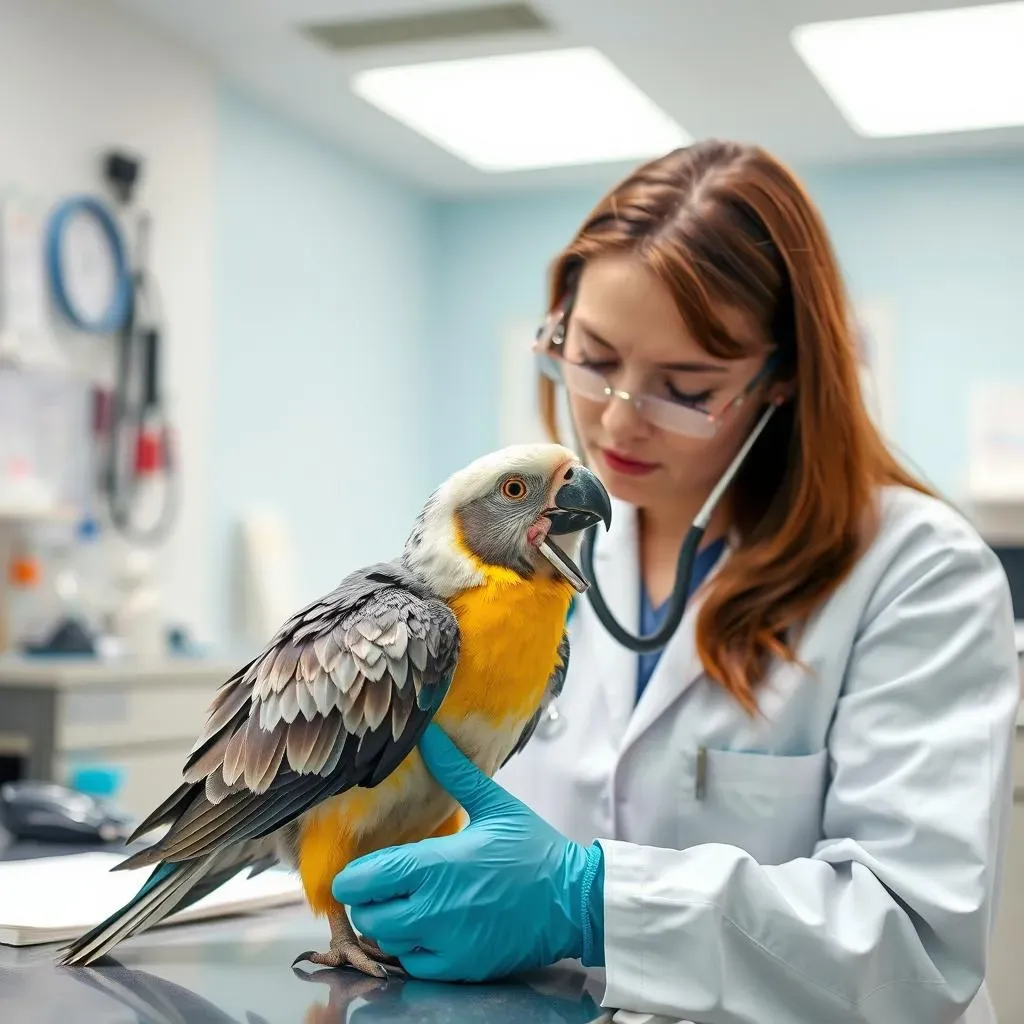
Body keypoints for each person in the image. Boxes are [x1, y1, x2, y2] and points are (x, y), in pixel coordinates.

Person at [331, 140, 1020, 1023]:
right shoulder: (537, 559)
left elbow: (913, 943)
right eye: (595, 358)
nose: (617, 420)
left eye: (685, 388)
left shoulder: (920, 574)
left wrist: (589, 903)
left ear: (779, 382)